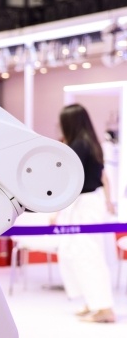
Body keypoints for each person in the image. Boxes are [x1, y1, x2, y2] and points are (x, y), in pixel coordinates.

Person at [56, 103, 117, 323]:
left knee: (88, 255)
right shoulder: (89, 143)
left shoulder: (80, 145)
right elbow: (103, 177)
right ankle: (94, 303)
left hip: (86, 205)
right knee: (77, 253)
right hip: (87, 203)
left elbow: (67, 177)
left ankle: (104, 308)